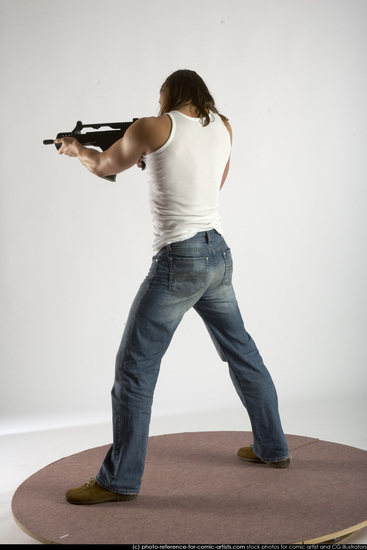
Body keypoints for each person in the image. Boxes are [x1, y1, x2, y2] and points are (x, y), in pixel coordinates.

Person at [55, 69, 290, 505]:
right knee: (243, 352)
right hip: (218, 254)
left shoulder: (152, 126)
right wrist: (160, 161)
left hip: (178, 262)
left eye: (160, 93)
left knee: (134, 369)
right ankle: (273, 448)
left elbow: (104, 164)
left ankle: (117, 480)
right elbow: (212, 182)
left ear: (169, 94)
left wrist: (76, 149)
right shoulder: (224, 126)